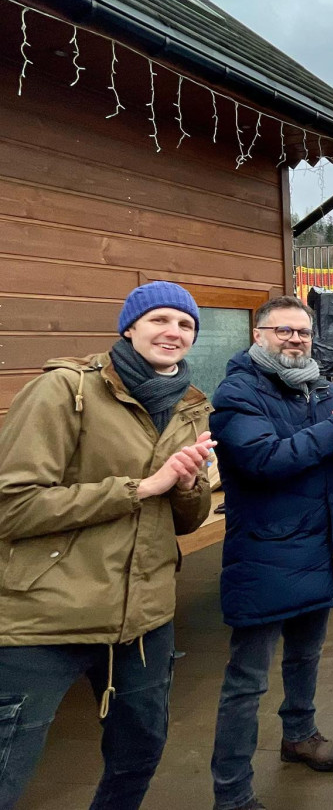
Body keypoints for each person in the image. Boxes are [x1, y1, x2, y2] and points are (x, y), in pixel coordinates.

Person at [0, 280, 215, 810]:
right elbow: (12, 506)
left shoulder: (191, 405)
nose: (173, 331)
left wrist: (188, 486)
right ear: (129, 327)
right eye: (159, 319)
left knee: (139, 755)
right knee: (7, 769)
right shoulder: (64, 390)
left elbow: (185, 520)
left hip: (143, 619)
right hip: (46, 616)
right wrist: (140, 488)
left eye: (185, 324)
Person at [208, 295, 333, 810]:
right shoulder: (238, 392)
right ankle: (231, 793)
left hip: (319, 544)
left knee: (306, 655)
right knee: (246, 681)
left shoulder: (320, 387)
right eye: (283, 330)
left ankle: (299, 735)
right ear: (258, 335)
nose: (295, 340)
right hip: (264, 553)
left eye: (303, 332)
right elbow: (265, 460)